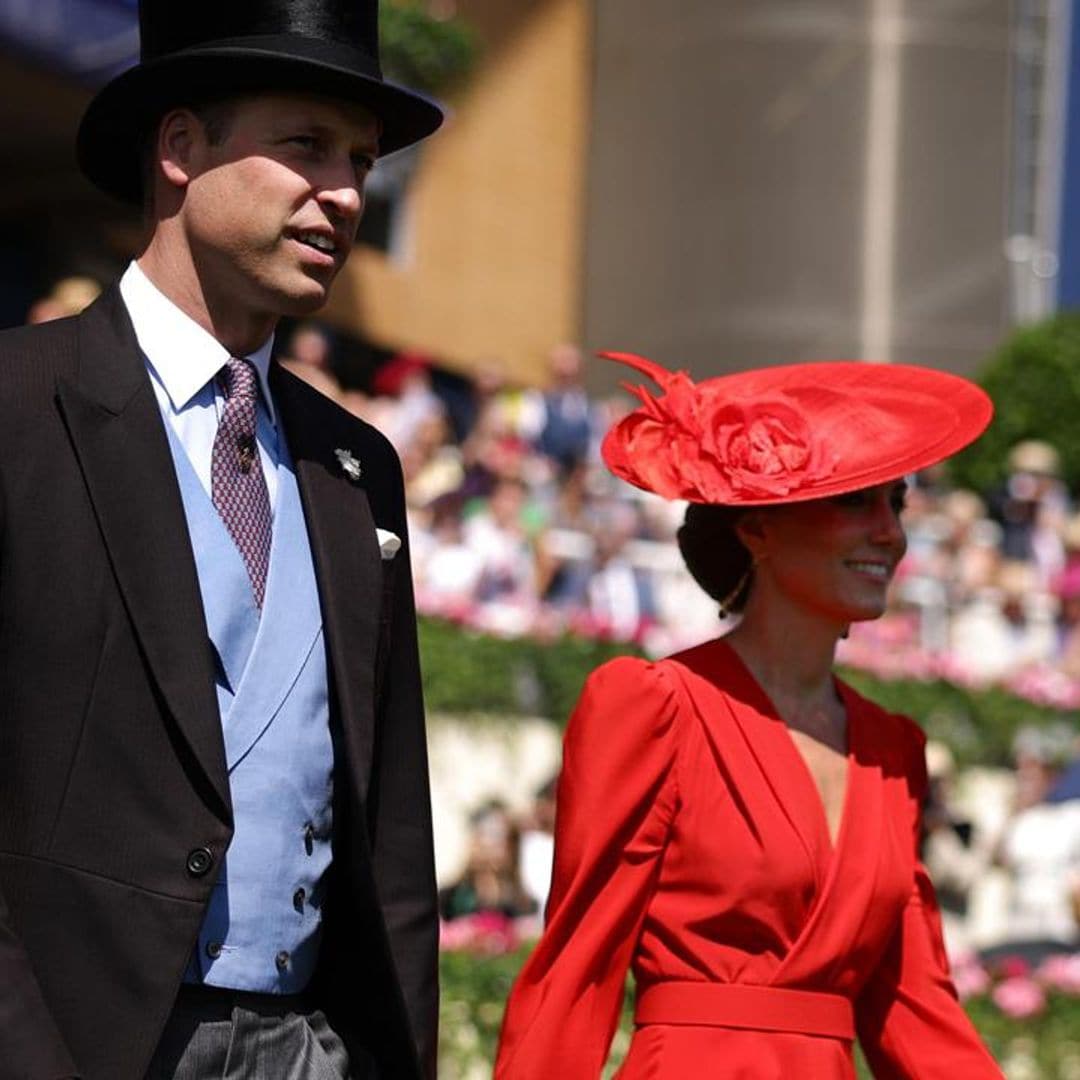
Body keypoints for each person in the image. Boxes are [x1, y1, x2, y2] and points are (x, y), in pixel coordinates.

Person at [0, 3, 444, 1079]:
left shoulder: (357, 465)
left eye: (359, 160)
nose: (343, 192)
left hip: (314, 1045)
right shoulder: (16, 406)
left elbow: (391, 836)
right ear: (180, 147)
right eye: (305, 144)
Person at [495, 352, 1002, 1078]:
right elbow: (579, 967)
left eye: (898, 502)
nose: (891, 533)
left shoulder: (894, 750)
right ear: (755, 528)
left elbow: (918, 1012)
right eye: (856, 501)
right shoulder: (651, 705)